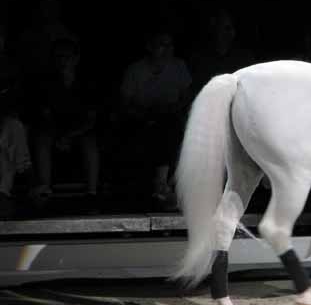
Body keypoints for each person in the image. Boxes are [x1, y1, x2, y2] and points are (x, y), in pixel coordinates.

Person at [115, 30, 192, 210]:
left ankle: (162, 183)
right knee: (156, 129)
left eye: (170, 45)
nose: (166, 50)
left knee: (169, 127)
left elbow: (187, 98)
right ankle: (161, 185)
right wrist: (144, 114)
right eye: (161, 45)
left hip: (172, 118)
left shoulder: (179, 66)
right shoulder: (135, 70)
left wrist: (172, 109)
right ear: (149, 47)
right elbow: (124, 103)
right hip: (141, 119)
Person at [29, 37, 102, 213]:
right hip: (54, 129)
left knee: (90, 143)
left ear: (76, 58)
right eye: (59, 57)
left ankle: (92, 194)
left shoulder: (87, 82)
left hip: (80, 131)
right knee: (41, 140)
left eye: (67, 57)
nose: (63, 61)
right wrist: (59, 136)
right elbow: (45, 116)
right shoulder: (46, 83)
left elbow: (91, 119)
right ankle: (44, 192)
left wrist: (69, 136)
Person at [0, 25, 33, 217]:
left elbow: (15, 102)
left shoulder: (10, 71)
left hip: (5, 126)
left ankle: (5, 192)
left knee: (12, 127)